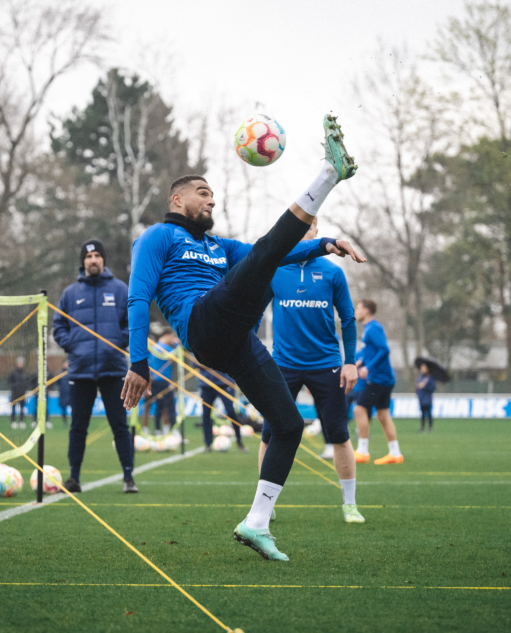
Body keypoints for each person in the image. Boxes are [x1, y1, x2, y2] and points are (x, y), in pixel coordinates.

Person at [122, 115, 362, 561]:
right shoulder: (157, 237)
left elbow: (269, 253)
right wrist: (139, 363)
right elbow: (137, 298)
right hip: (202, 323)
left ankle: (256, 524)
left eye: (213, 195)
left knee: (289, 425)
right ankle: (330, 173)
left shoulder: (219, 248)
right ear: (178, 199)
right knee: (264, 260)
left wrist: (323, 244)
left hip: (233, 338)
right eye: (203, 193)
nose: (212, 200)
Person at [261, 215, 361, 523]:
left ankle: (350, 504)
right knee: (270, 434)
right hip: (283, 365)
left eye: (309, 227)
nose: (304, 232)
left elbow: (348, 320)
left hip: (327, 366)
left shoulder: (332, 272)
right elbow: (253, 315)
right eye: (298, 228)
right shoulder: (274, 269)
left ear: (316, 231)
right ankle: (264, 506)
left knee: (339, 434)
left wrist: (349, 362)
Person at [53, 238, 136, 494]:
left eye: (98, 256)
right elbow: (58, 326)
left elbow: (132, 322)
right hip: (81, 369)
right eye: (88, 257)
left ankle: (128, 477)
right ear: (83, 261)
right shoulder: (70, 293)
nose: (93, 260)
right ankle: (74, 478)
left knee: (119, 425)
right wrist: (73, 345)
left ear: (103, 260)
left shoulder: (121, 289)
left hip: (113, 368)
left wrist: (119, 342)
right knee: (78, 427)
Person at [352, 299, 401, 465]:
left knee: (359, 410)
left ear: (366, 311)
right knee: (382, 415)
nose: (355, 311)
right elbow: (371, 350)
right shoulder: (369, 329)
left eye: (358, 308)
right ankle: (395, 454)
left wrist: (369, 367)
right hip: (384, 378)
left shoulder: (373, 328)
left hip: (379, 379)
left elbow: (384, 349)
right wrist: (362, 362)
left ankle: (362, 451)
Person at [201, 368, 246, 452]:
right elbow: (196, 362)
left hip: (225, 382)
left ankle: (239, 442)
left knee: (231, 412)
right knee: (206, 414)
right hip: (207, 383)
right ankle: (208, 444)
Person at [145, 331, 179, 435]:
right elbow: (177, 355)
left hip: (153, 381)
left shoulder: (154, 347)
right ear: (167, 336)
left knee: (157, 407)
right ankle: (172, 430)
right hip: (163, 382)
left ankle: (157, 431)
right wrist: (177, 343)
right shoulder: (165, 347)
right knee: (168, 407)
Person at [8, 356, 29, 429]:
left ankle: (21, 421)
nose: (21, 364)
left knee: (22, 408)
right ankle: (13, 421)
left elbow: (27, 382)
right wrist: (15, 387)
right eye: (19, 363)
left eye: (22, 363)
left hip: (22, 393)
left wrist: (24, 387)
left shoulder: (25, 373)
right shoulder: (13, 372)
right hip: (14, 393)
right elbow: (9, 382)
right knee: (13, 408)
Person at [416, 363, 436, 433]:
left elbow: (432, 388)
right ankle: (422, 427)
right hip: (421, 398)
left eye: (423, 368)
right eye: (421, 368)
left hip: (427, 399)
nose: (422, 369)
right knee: (422, 414)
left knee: (429, 413)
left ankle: (430, 427)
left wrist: (425, 386)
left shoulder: (430, 378)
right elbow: (417, 388)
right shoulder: (421, 378)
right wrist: (418, 392)